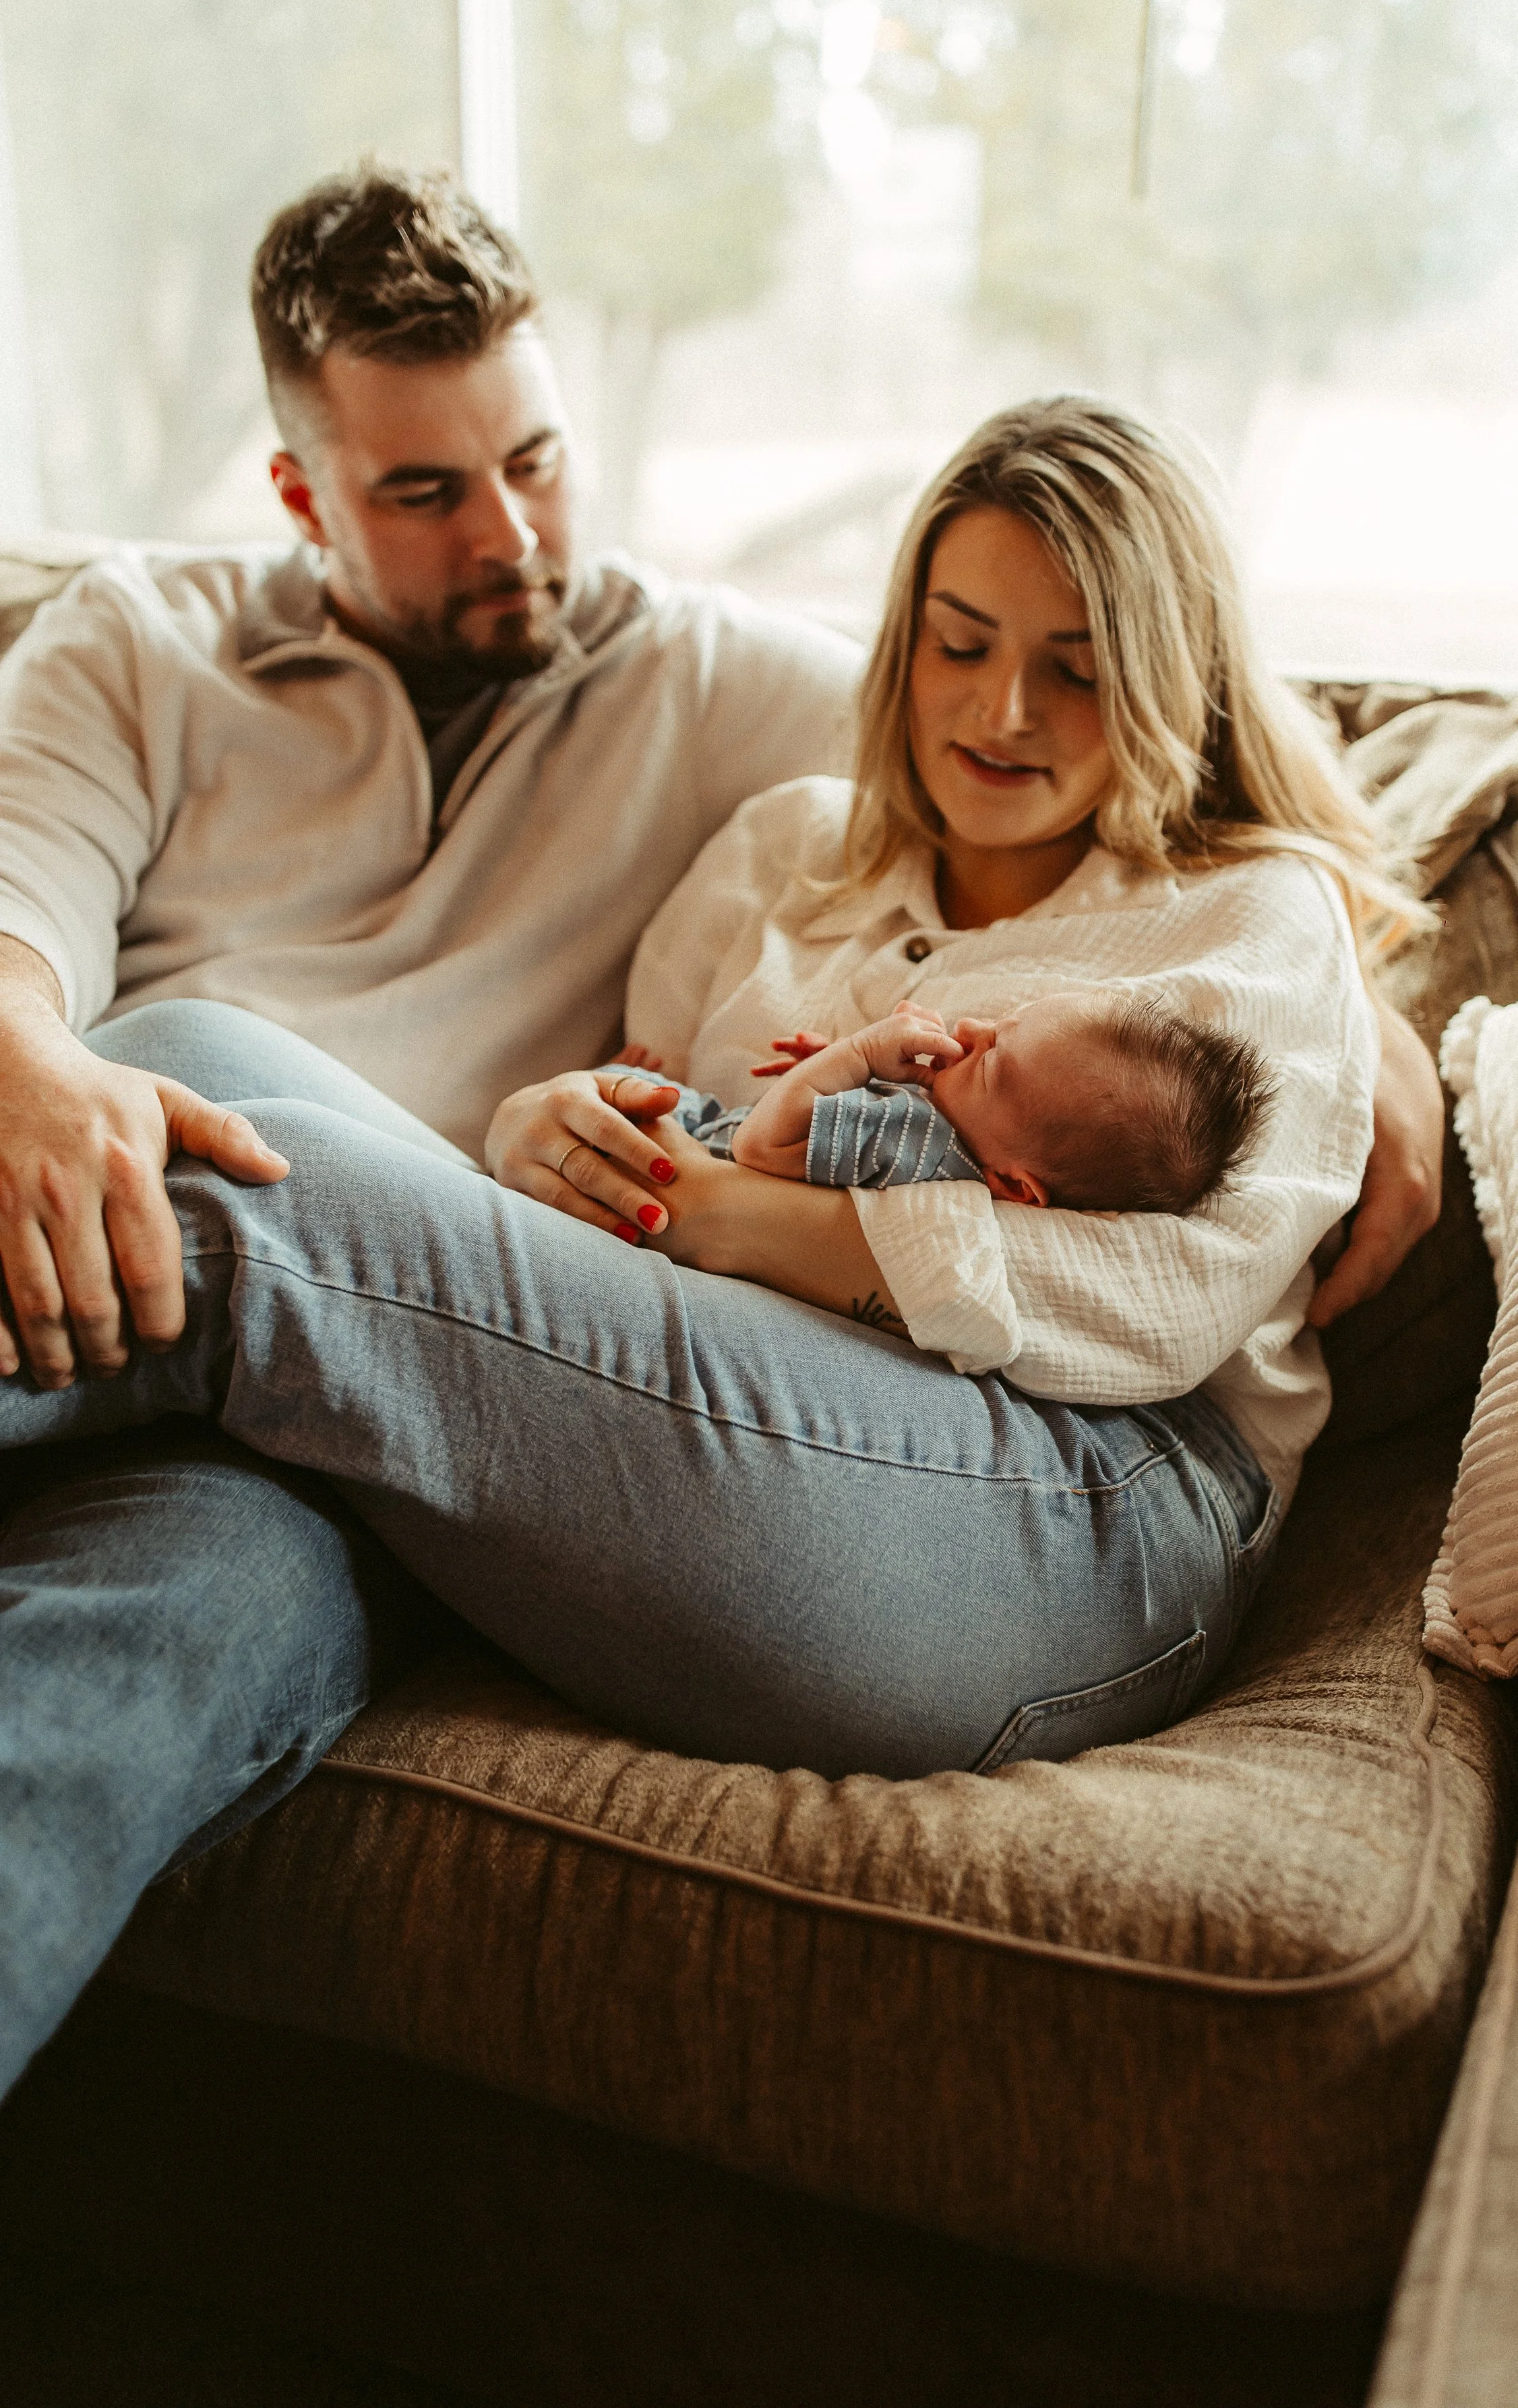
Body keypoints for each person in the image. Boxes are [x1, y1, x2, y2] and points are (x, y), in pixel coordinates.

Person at [0, 396, 1440, 2097]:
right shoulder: (783, 853)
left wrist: (733, 1215)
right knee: (198, 1111)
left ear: (1168, 672)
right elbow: (626, 1202)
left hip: (1084, 1493)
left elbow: (1155, 1304)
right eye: (962, 644)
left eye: (1073, 666)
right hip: (749, 1445)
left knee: (225, 1179)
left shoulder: (1248, 914)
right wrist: (550, 1140)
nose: (1001, 711)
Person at [604, 988, 1274, 1213]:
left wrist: (858, 1055)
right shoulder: (956, 1133)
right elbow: (832, 1126)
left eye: (991, 1061)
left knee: (639, 1106)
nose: (972, 1032)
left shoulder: (920, 1140)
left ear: (1016, 1184)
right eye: (1000, 1025)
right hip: (702, 1152)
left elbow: (758, 1146)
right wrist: (833, 1070)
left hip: (693, 1156)